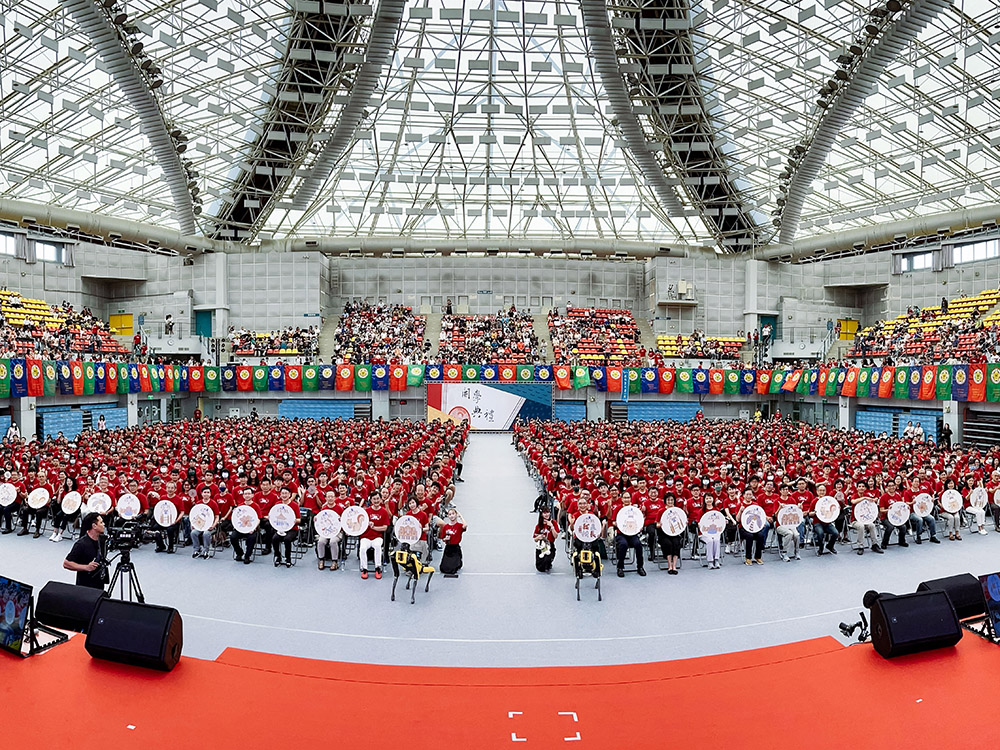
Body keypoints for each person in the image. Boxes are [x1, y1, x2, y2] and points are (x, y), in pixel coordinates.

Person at [63, 512, 107, 590]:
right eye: (101, 522)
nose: (104, 524)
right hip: (84, 587)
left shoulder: (102, 540)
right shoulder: (81, 544)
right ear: (94, 526)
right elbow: (66, 563)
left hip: (99, 584)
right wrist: (86, 567)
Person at [611, 492, 646, 577]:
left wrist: (640, 527)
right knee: (623, 544)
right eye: (625, 498)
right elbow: (613, 522)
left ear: (630, 499)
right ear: (622, 499)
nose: (626, 499)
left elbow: (639, 521)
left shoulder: (634, 509)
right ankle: (620, 567)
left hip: (633, 533)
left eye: (628, 498)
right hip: (621, 534)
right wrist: (618, 524)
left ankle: (640, 567)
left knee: (638, 544)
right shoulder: (618, 509)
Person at [359, 494, 390, 579]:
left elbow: (385, 527)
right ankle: (364, 568)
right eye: (374, 499)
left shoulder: (384, 512)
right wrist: (367, 523)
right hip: (365, 536)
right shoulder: (366, 511)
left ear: (380, 500)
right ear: (371, 500)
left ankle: (378, 568)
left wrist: (374, 527)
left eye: (377, 499)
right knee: (362, 548)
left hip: (377, 537)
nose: (376, 501)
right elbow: (360, 523)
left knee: (377, 546)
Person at [435, 507, 466, 575]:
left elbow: (465, 526)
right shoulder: (446, 527)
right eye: (450, 514)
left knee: (453, 569)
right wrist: (445, 539)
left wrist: (461, 517)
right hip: (448, 548)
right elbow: (443, 538)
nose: (451, 516)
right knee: (444, 569)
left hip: (455, 548)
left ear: (456, 515)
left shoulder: (459, 525)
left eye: (453, 514)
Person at [533, 508, 559, 572]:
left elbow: (555, 536)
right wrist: (538, 537)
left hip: (550, 545)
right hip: (541, 546)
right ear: (541, 514)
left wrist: (552, 526)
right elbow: (535, 539)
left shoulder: (553, 522)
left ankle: (549, 560)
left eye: (548, 512)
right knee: (540, 568)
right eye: (544, 513)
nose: (547, 514)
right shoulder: (539, 525)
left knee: (547, 564)